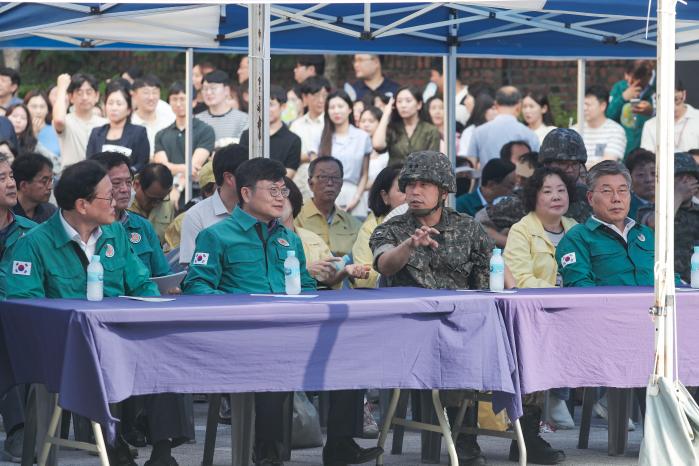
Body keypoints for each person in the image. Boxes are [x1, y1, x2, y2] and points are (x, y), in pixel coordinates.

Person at [183, 158, 381, 466]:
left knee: (347, 353)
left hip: (292, 331)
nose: (281, 197)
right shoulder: (216, 236)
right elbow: (197, 287)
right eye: (273, 190)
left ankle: (340, 445)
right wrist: (237, 309)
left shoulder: (288, 238)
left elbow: (304, 286)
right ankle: (268, 453)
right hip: (243, 337)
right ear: (246, 194)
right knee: (271, 361)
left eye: (283, 190)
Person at [4, 160, 192, 466]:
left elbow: (141, 283)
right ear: (82, 204)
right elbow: (25, 310)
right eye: (108, 195)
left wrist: (152, 307)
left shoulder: (115, 235)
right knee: (114, 360)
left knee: (164, 349)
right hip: (69, 348)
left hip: (122, 337)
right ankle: (114, 446)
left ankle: (162, 452)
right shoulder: (35, 244)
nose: (119, 199)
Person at [480, 128, 592, 242]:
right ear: (547, 164)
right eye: (563, 163)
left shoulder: (588, 197)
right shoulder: (527, 197)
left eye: (574, 163)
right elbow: (481, 224)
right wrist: (509, 243)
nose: (570, 169)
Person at [556, 160, 655, 287]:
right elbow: (580, 289)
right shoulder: (577, 238)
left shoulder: (646, 234)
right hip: (611, 307)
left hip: (655, 306)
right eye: (607, 191)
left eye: (622, 190)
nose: (616, 199)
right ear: (590, 198)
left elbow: (669, 278)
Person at [0, 154, 34, 462]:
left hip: (20, 323)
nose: (11, 183)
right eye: (1, 178)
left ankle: (21, 429)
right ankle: (19, 428)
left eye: (11, 176)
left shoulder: (31, 233)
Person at [281, 176, 370, 289]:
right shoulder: (259, 239)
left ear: (293, 199)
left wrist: (345, 271)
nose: (277, 199)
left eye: (283, 193)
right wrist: (305, 271)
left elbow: (329, 280)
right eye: (272, 193)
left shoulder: (312, 238)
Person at [91, 151, 169, 277]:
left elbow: (163, 273)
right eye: (116, 183)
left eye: (128, 182)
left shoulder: (143, 226)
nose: (125, 189)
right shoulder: (88, 228)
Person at [179, 144, 248, 265]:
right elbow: (190, 268)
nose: (255, 180)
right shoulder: (196, 216)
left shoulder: (258, 210)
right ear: (229, 178)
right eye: (250, 174)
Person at [637, 152, 699, 284]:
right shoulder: (648, 210)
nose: (685, 183)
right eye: (679, 177)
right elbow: (655, 224)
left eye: (690, 177)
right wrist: (678, 195)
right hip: (664, 283)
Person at [154, 81, 215, 203]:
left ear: (193, 102)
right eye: (174, 99)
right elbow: (162, 168)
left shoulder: (205, 130)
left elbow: (195, 167)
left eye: (183, 99)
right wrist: (184, 168)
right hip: (164, 193)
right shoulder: (161, 134)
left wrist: (178, 187)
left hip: (197, 194)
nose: (178, 103)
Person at [314, 90, 372, 216]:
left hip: (355, 194)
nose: (336, 111)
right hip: (327, 196)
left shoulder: (362, 137)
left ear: (350, 109)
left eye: (340, 106)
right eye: (332, 107)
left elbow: (364, 174)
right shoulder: (322, 137)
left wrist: (356, 198)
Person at [294, 156, 362, 257]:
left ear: (341, 184)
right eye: (323, 177)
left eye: (335, 178)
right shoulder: (295, 219)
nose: (330, 183)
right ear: (310, 183)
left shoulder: (354, 224)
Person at [352, 164, 405, 288]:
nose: (410, 194)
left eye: (413, 188)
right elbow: (363, 280)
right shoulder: (370, 229)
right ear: (385, 196)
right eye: (402, 190)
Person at [466, 86, 539, 167]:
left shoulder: (478, 132)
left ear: (496, 104)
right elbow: (535, 167)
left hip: (488, 178)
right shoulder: (529, 134)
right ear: (519, 106)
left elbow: (471, 165)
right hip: (518, 179)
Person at [86, 82, 150, 174]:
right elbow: (89, 163)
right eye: (110, 103)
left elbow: (142, 163)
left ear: (129, 109)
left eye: (119, 104)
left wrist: (124, 174)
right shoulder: (96, 133)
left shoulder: (139, 132)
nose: (114, 108)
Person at [239, 85, 301, 178]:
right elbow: (241, 168)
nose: (265, 109)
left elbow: (288, 175)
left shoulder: (293, 140)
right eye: (261, 104)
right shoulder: (248, 135)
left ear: (283, 107)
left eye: (270, 104)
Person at [372, 86, 441, 166]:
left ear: (419, 104)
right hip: (394, 176)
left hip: (420, 176)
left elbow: (433, 161)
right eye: (399, 101)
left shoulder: (430, 130)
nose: (403, 105)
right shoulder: (393, 128)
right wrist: (386, 113)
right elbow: (378, 145)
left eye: (408, 101)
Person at [53, 73, 107, 168]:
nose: (84, 97)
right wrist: (61, 88)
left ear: (97, 96)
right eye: (79, 92)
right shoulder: (67, 121)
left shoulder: (105, 124)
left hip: (98, 175)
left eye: (89, 92)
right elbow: (58, 121)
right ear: (71, 97)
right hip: (71, 174)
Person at [290, 76, 331, 199]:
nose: (321, 100)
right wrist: (310, 156)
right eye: (316, 95)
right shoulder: (296, 125)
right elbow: (291, 154)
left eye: (325, 96)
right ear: (305, 97)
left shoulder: (331, 124)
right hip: (300, 184)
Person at [606, 60, 655, 156]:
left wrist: (653, 112)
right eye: (627, 77)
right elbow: (608, 117)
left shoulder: (660, 86)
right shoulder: (619, 88)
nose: (628, 82)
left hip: (649, 149)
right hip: (623, 150)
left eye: (632, 80)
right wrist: (623, 98)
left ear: (646, 77)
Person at [572, 85, 626, 166]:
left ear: (602, 106)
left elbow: (608, 163)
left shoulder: (616, 130)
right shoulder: (575, 130)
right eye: (582, 104)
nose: (584, 108)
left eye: (588, 104)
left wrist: (579, 170)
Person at [641, 80, 699, 152]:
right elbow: (647, 158)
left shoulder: (697, 118)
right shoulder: (651, 125)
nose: (671, 103)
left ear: (684, 95)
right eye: (665, 99)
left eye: (675, 99)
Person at [195, 70, 248, 145]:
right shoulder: (196, 120)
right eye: (205, 89)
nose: (208, 93)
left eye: (213, 88)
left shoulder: (244, 119)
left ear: (226, 90)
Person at [130, 75, 175, 156]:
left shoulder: (169, 118)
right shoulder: (130, 122)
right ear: (134, 95)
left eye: (155, 92)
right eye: (146, 93)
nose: (151, 97)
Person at [129, 163, 174, 244]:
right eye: (151, 199)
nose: (155, 204)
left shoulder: (168, 205)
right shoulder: (123, 203)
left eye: (161, 199)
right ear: (136, 185)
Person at [11, 153, 57, 224]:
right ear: (23, 186)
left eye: (51, 180)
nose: (50, 187)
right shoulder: (7, 215)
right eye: (44, 181)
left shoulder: (51, 212)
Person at [424, 58, 469, 126]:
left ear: (446, 74)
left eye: (433, 75)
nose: (431, 79)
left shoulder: (470, 98)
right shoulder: (436, 97)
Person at [358, 106, 389, 205]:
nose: (366, 124)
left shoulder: (387, 152)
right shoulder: (353, 148)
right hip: (356, 201)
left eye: (371, 121)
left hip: (379, 202)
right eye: (363, 121)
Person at [24, 90, 60, 161]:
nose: (38, 111)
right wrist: (33, 134)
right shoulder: (21, 129)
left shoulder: (56, 130)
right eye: (34, 107)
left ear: (48, 109)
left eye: (42, 107)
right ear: (25, 108)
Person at [457, 93, 497, 158]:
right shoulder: (470, 132)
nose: (496, 112)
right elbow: (464, 156)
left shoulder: (497, 129)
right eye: (493, 108)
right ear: (483, 110)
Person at [625, 148, 655, 221]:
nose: (649, 179)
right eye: (641, 175)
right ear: (629, 180)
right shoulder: (625, 209)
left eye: (653, 173)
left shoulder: (669, 201)